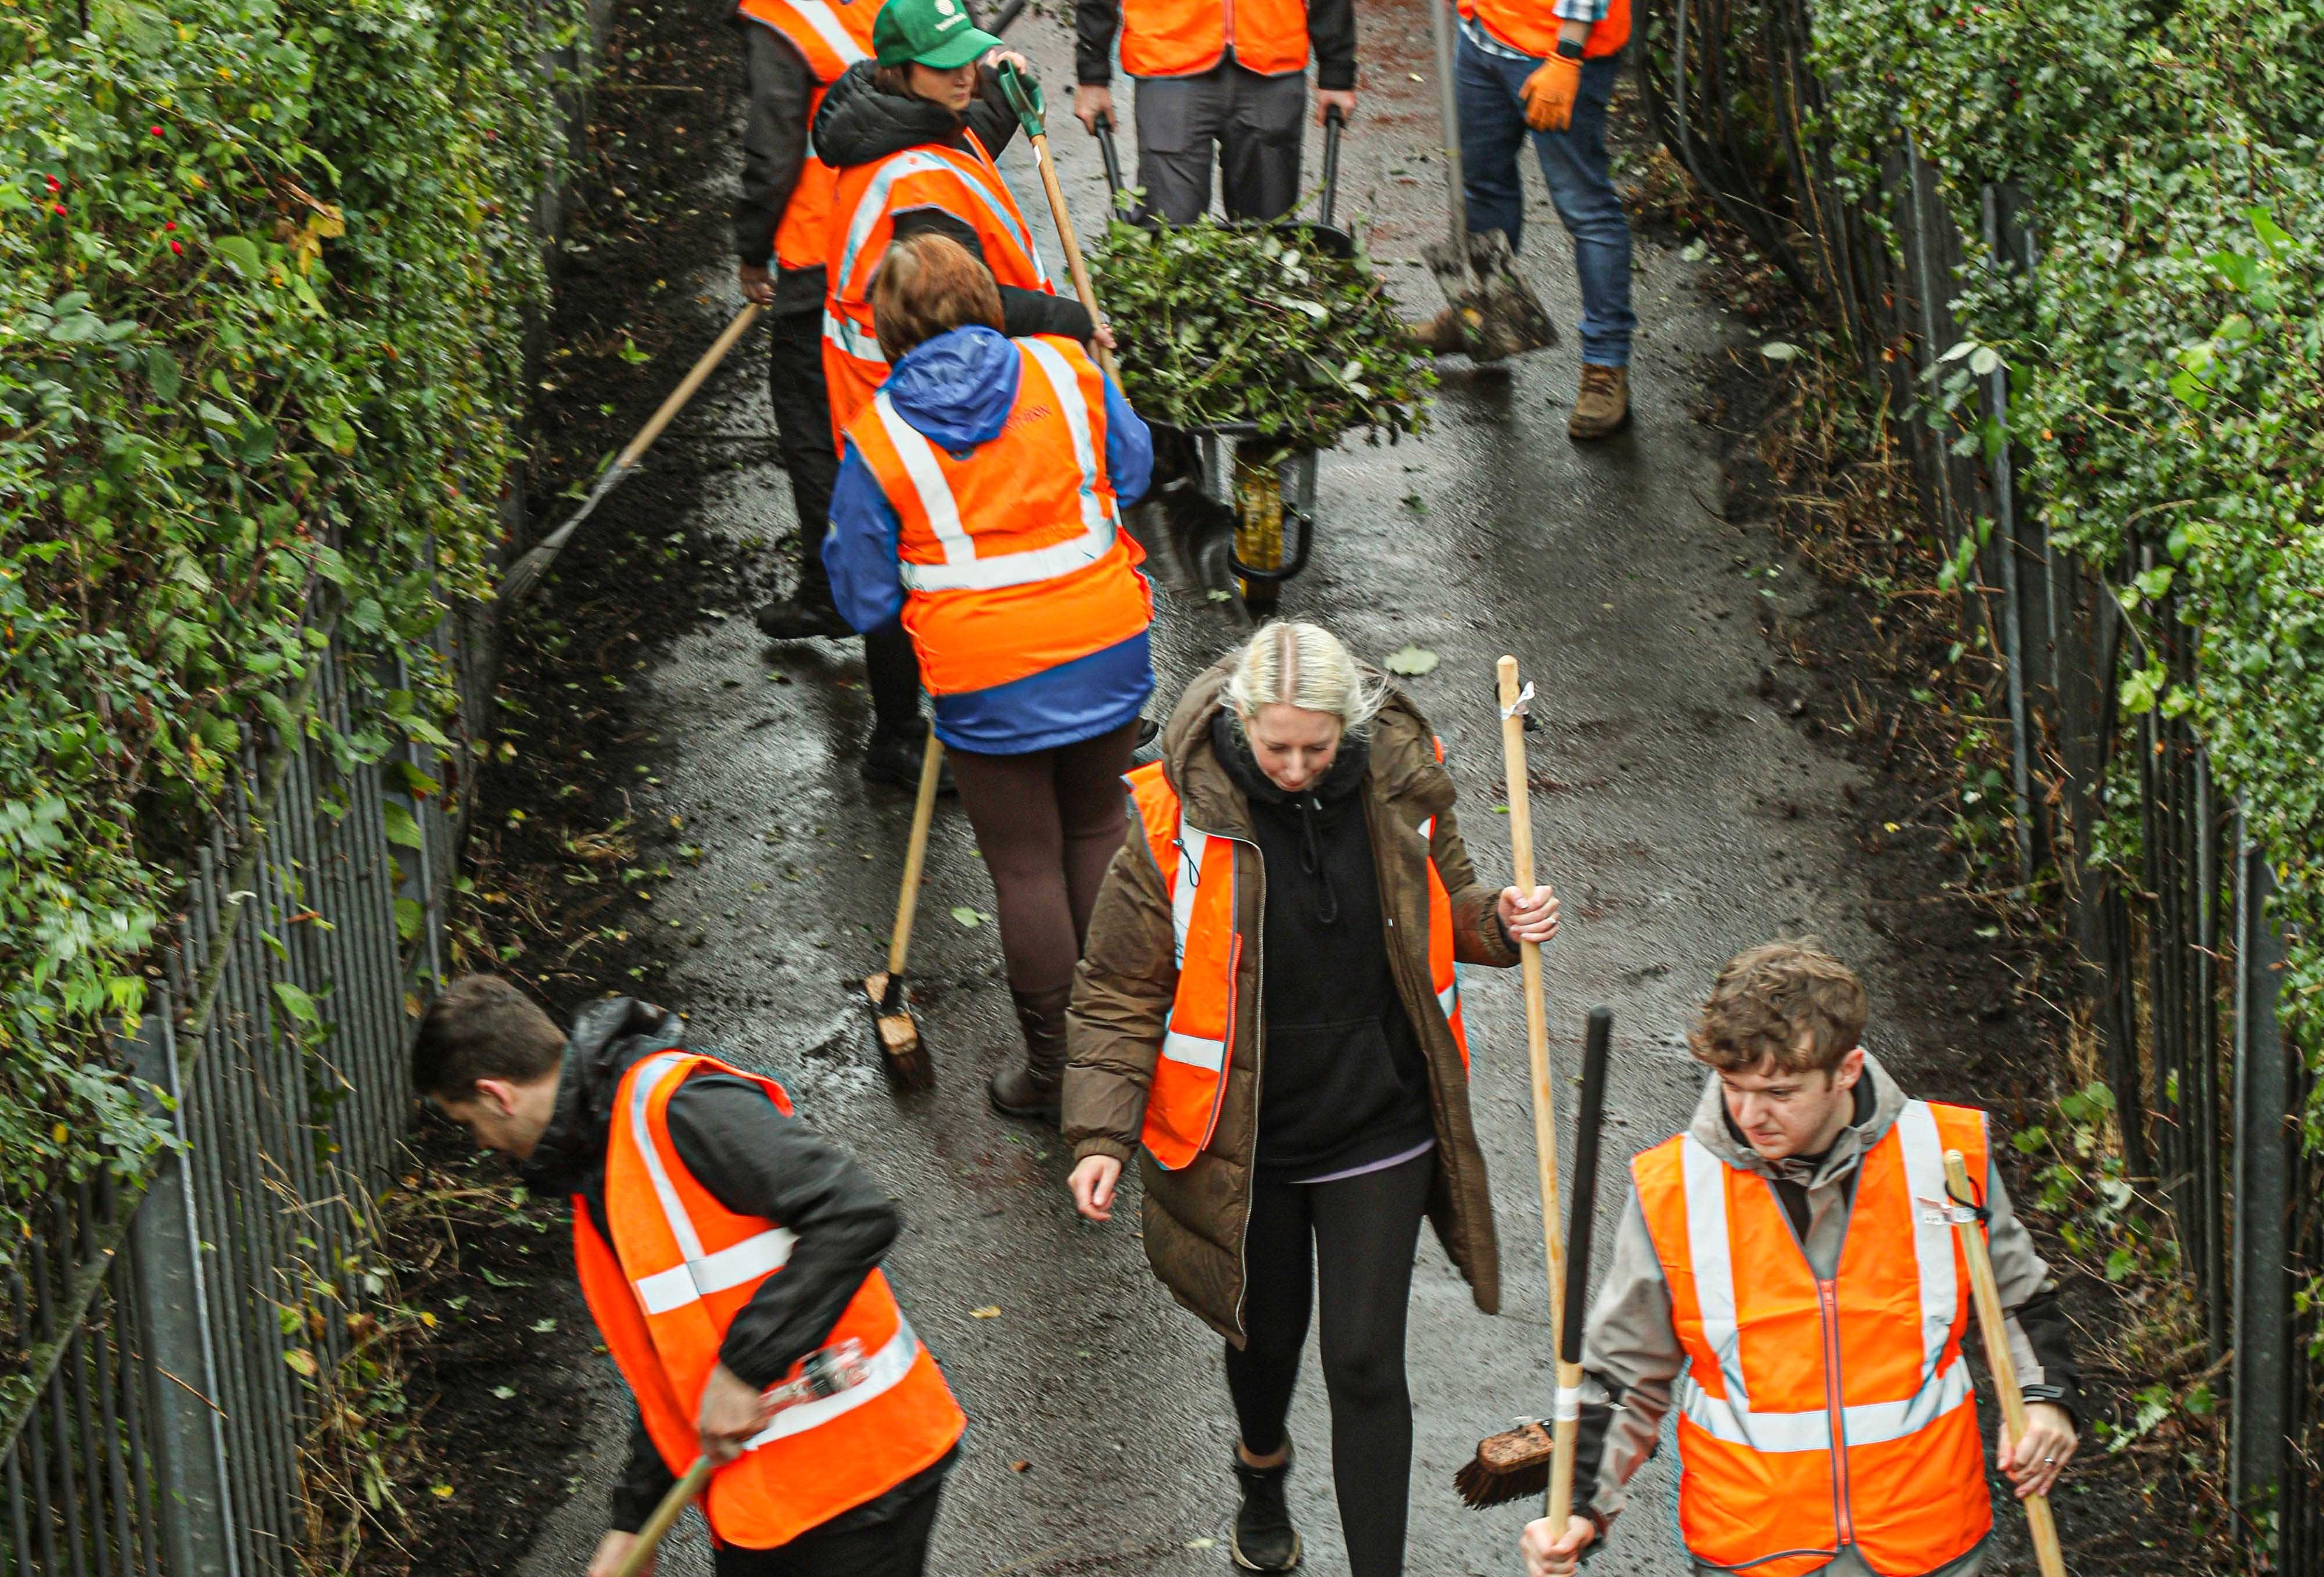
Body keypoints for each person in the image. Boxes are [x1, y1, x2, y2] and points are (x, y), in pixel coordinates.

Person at [1062, 621, 1561, 1576]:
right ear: (1242, 720)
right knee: (1266, 1335)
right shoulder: (1173, 817)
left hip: (1381, 1117)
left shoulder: (1399, 788)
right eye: (1274, 745)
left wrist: (1497, 919)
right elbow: (1120, 987)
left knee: (1367, 1361)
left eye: (1317, 747)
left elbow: (1445, 911)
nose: (1294, 767)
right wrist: (1100, 1132)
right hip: (1247, 1139)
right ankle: (1262, 1464)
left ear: (1353, 726)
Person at [1521, 940, 2085, 1577]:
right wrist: (1576, 1510)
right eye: (1733, 1086)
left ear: (1845, 1070)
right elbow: (1624, 1377)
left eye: (1780, 1092)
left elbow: (2016, 1299)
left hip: (1927, 1543)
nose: (1751, 1114)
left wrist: (2045, 1401)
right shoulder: (1673, 1185)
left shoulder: (1944, 1154)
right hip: (1754, 1550)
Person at [413, 978, 966, 1577]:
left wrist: (741, 1368)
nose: (485, 1143)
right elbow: (670, 1368)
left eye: (471, 1123)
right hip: (780, 1500)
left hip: (860, 1480)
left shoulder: (678, 1107)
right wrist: (633, 1524)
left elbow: (856, 1213)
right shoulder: (602, 1161)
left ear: (497, 1095)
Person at [825, 233, 1157, 1123]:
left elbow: (858, 596)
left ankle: (1056, 1073)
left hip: (986, 672)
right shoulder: (1062, 368)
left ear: (889, 331)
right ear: (986, 299)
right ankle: (1129, 1050)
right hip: (1105, 640)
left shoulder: (881, 432)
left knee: (1024, 868)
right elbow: (1135, 468)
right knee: (1096, 831)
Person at [726, 0, 933, 793]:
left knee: (820, 438)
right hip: (903, 248)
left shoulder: (783, 15)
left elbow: (774, 142)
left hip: (819, 256)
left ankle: (834, 591)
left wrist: (753, 245)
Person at [813, 0, 1101, 444]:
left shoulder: (903, 117)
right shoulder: (915, 189)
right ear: (900, 70)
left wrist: (1003, 93)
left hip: (927, 384)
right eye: (946, 66)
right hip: (907, 404)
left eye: (966, 57)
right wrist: (1073, 320)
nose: (965, 75)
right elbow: (966, 304)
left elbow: (961, 147)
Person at [1416, 0, 1637, 440]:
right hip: (1484, 36)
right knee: (1482, 186)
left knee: (1586, 210)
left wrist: (1566, 56)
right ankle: (1480, 319)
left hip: (1558, 50)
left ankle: (1606, 366)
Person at [1070, 0, 1355, 225]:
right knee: (1168, 233)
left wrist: (1337, 71)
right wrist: (1092, 74)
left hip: (1271, 59)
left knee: (1270, 236)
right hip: (1169, 61)